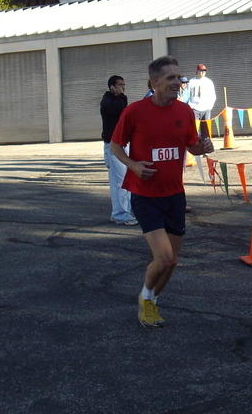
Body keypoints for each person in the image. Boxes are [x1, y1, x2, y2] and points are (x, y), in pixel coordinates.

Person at [110, 56, 214, 328]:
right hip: (145, 195)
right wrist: (132, 165)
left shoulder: (184, 112)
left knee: (172, 262)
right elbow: (115, 145)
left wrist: (202, 147)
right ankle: (145, 298)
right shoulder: (134, 111)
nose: (177, 83)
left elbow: (192, 146)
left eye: (179, 78)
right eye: (171, 78)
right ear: (154, 83)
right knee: (164, 257)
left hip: (175, 195)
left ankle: (152, 302)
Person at [100, 76, 138, 226]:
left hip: (121, 144)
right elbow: (118, 109)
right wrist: (120, 96)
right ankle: (121, 214)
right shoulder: (107, 102)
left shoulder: (121, 99)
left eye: (124, 85)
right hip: (114, 145)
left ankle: (122, 212)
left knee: (122, 180)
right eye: (120, 85)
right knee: (120, 181)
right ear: (112, 87)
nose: (123, 88)